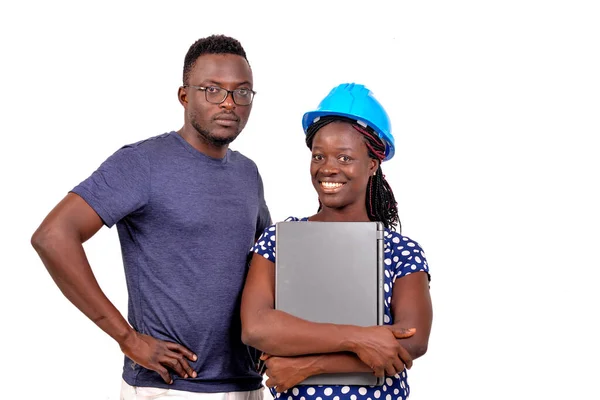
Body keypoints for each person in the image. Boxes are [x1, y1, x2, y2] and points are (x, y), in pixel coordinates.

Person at [31, 34, 271, 399]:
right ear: (184, 95)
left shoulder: (248, 173)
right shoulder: (142, 163)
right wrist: (128, 338)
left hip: (246, 384)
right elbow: (53, 236)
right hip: (170, 387)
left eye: (242, 92)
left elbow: (266, 264)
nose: (228, 103)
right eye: (212, 89)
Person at [240, 83, 432, 399]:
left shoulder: (400, 252)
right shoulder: (278, 241)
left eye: (344, 157)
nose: (328, 168)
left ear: (372, 164)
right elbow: (257, 328)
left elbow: (410, 341)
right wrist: (360, 339)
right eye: (319, 156)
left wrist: (310, 365)